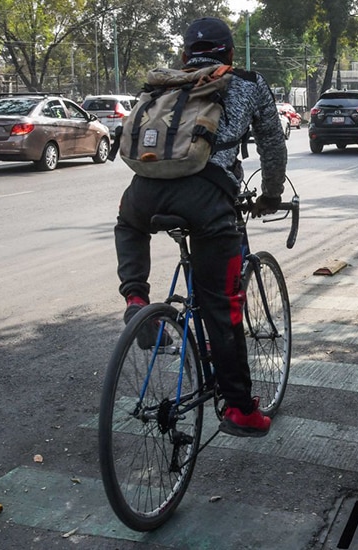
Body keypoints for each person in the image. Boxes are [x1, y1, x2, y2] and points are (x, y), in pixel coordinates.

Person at [113, 17, 288, 438]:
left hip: (144, 192)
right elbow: (272, 145)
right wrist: (271, 194)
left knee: (128, 224)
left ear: (185, 55)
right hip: (207, 202)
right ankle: (241, 410)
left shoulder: (161, 84)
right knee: (221, 307)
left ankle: (136, 297)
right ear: (229, 54)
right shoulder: (246, 83)